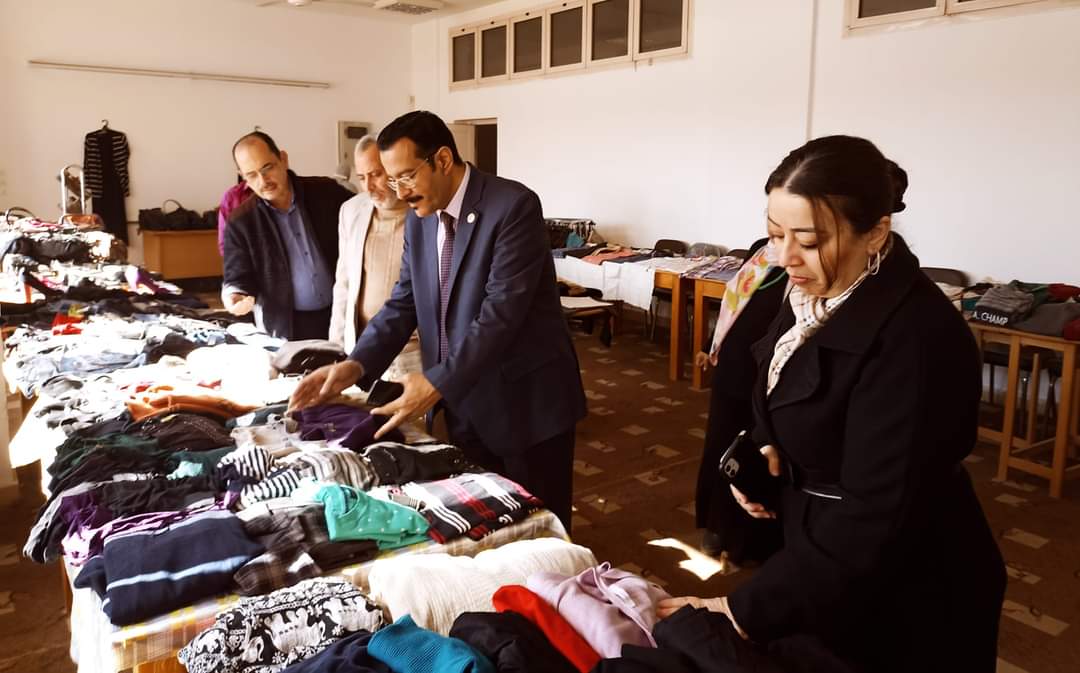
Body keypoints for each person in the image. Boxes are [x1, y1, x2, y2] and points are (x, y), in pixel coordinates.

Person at [659, 135, 1005, 673]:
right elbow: (785, 386)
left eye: (809, 240)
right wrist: (766, 449)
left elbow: (875, 515)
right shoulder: (809, 293)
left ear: (876, 233)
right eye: (775, 235)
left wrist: (740, 611)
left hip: (907, 587)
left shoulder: (917, 340)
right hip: (823, 556)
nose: (784, 257)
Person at [289, 111, 586, 529]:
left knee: (543, 528)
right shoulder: (420, 219)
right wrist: (355, 364)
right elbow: (404, 301)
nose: (400, 191)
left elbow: (501, 314)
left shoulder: (512, 206)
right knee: (489, 525)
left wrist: (437, 382)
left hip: (526, 404)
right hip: (466, 405)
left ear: (443, 160)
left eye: (407, 176)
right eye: (393, 180)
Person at [222, 131, 353, 340]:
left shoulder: (327, 193)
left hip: (342, 314)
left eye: (267, 168)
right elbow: (237, 275)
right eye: (252, 175)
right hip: (287, 327)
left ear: (283, 159)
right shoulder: (241, 222)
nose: (263, 181)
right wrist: (235, 295)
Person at [329, 135, 420, 381]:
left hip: (414, 354)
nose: (368, 187)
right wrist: (335, 348)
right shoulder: (351, 211)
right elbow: (343, 283)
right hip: (363, 350)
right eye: (361, 177)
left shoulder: (425, 212)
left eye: (376, 174)